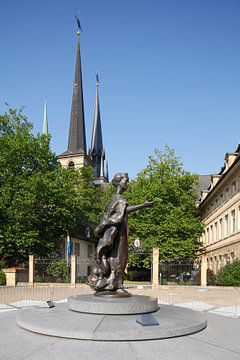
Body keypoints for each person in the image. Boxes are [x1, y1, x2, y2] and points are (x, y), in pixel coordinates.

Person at [88, 172, 154, 292]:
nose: (128, 183)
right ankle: (115, 284)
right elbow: (123, 211)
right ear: (119, 183)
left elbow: (122, 212)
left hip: (118, 231)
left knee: (118, 256)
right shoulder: (119, 199)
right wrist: (143, 205)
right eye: (126, 181)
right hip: (118, 233)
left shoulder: (114, 198)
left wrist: (143, 205)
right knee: (119, 256)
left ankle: (114, 284)